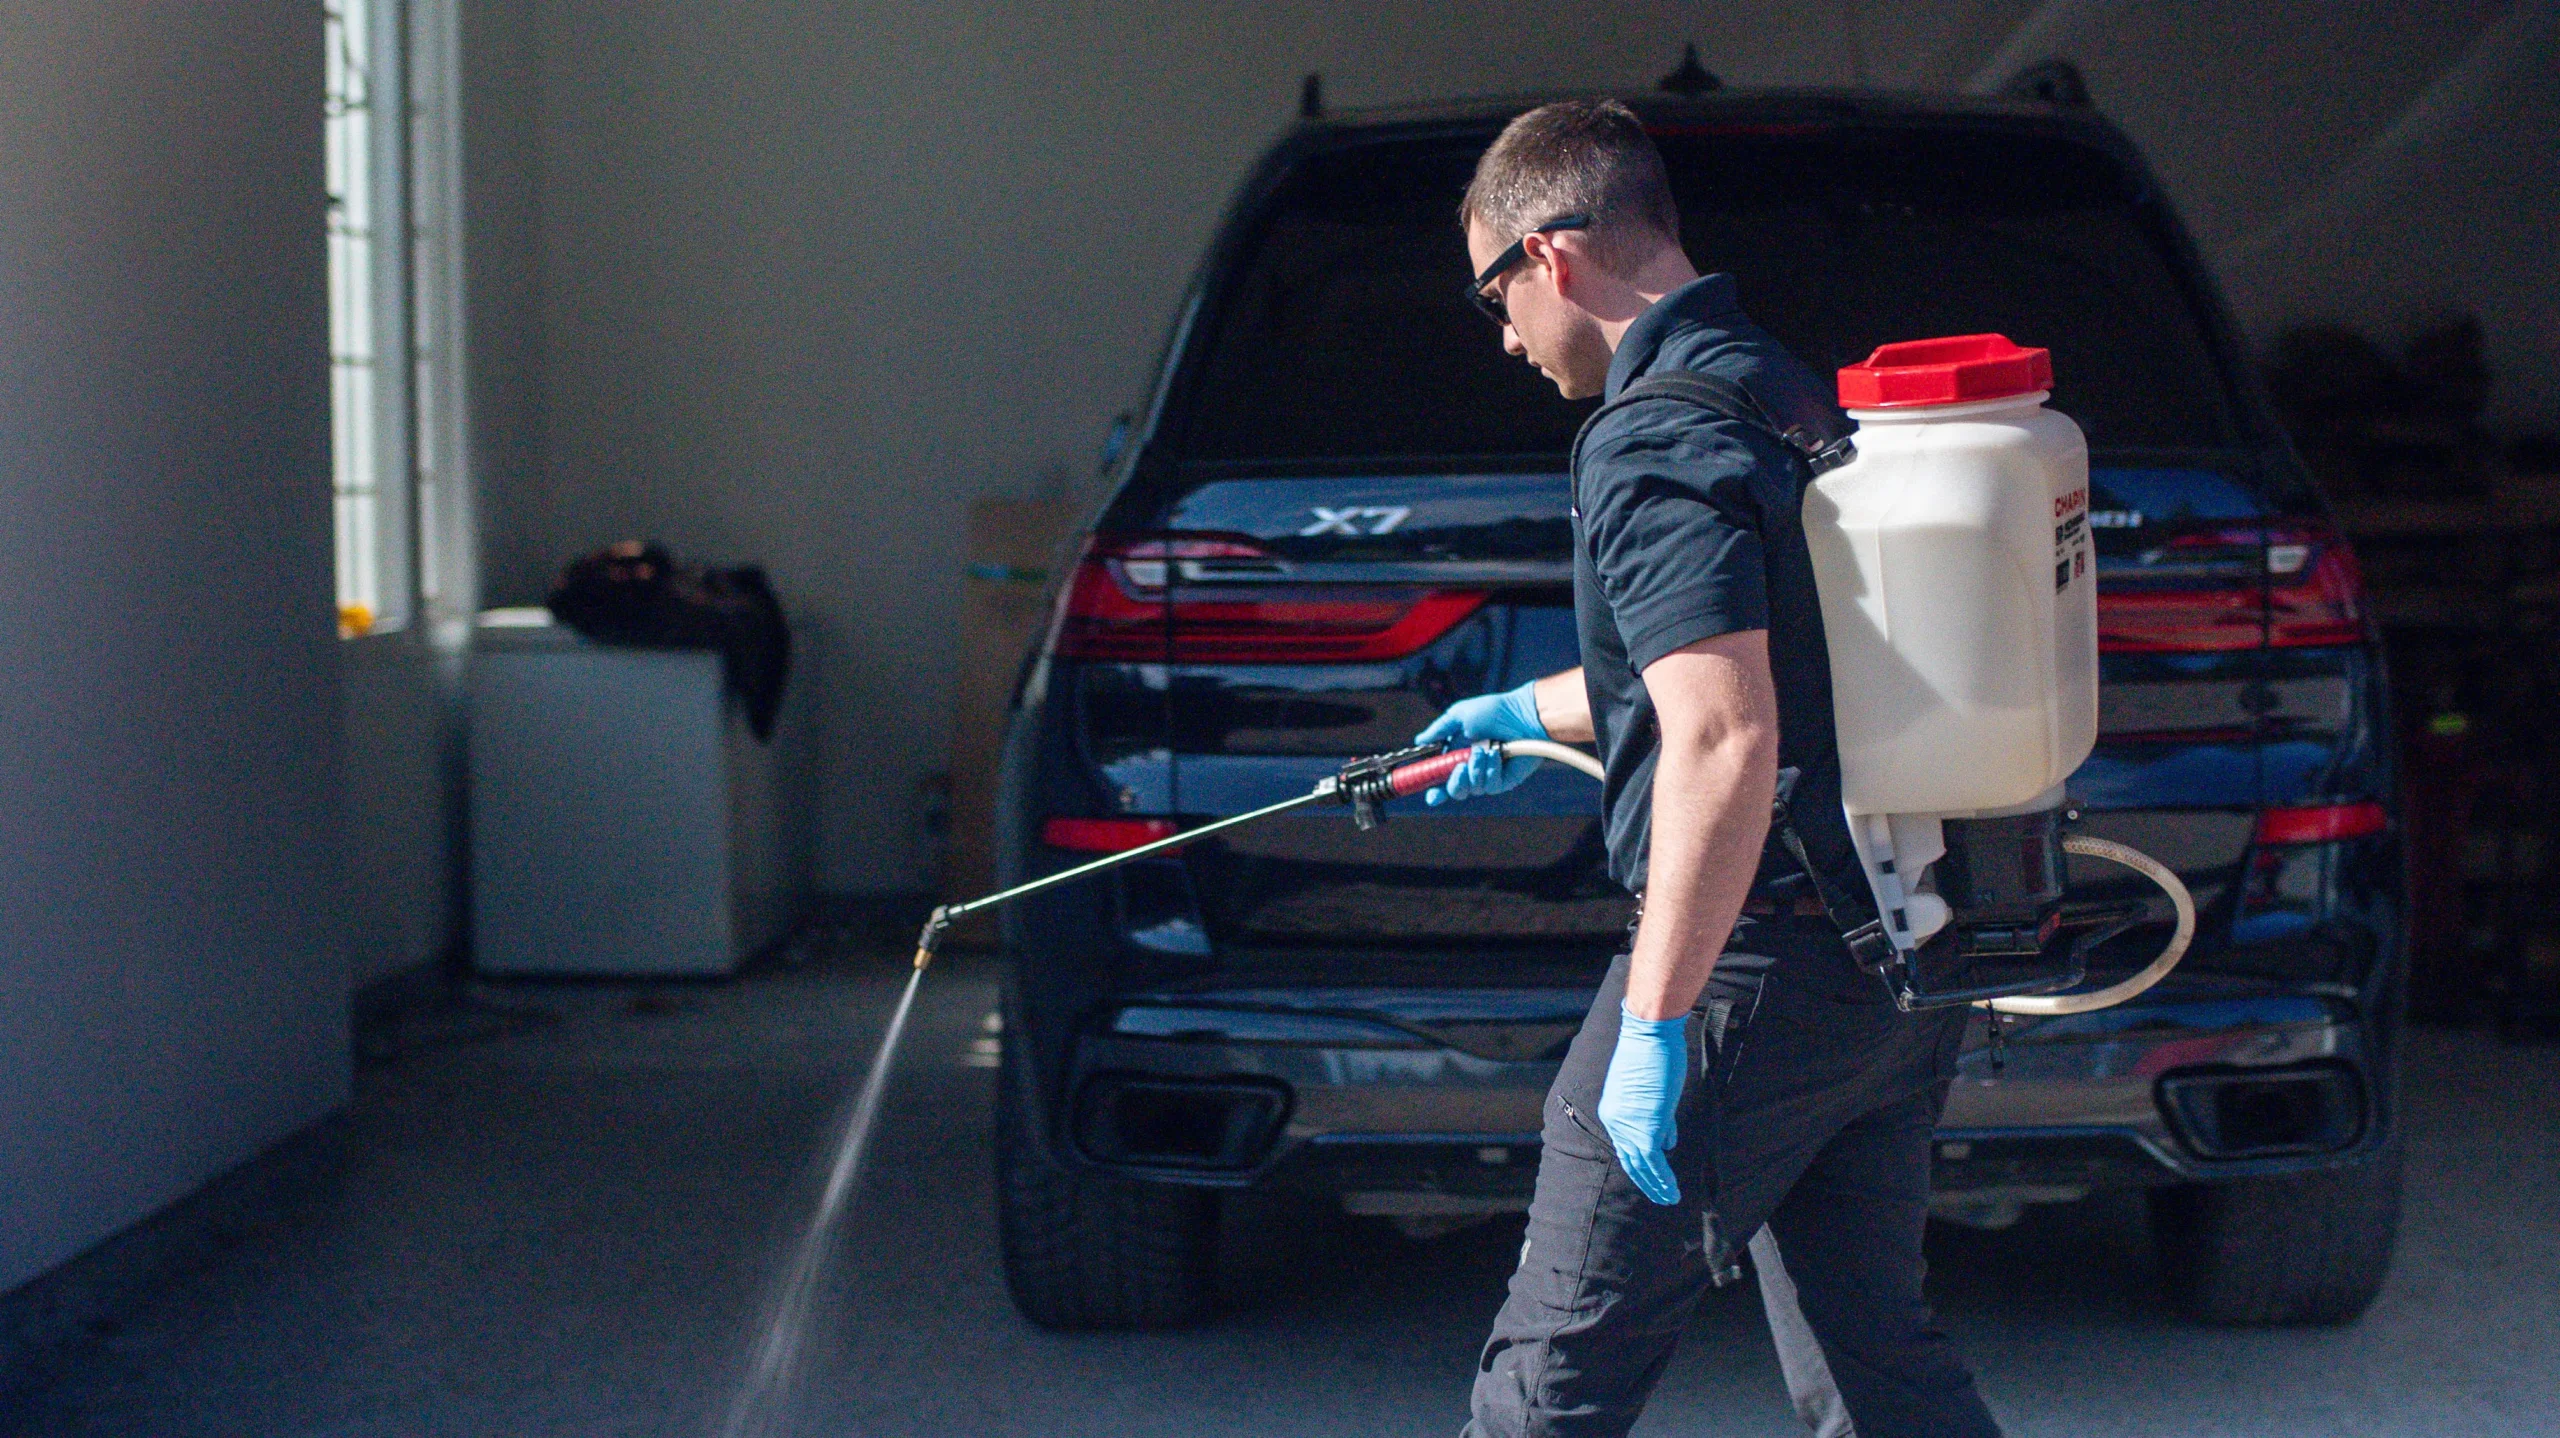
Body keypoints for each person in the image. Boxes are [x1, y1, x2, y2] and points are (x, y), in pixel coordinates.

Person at [1418, 99, 2003, 1438]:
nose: (1502, 335)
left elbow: (1728, 734)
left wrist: (1657, 1024)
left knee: (1544, 1390)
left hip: (1751, 970)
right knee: (1881, 1369)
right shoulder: (1780, 385)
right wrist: (1530, 711)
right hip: (1890, 956)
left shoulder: (1648, 436)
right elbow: (1755, 659)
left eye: (1491, 293)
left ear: (1551, 256)